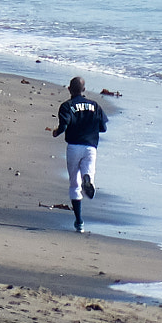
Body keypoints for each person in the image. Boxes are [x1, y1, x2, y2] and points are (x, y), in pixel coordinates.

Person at [51, 77, 109, 232]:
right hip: (91, 147)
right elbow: (103, 128)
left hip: (74, 147)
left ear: (69, 89)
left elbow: (64, 126)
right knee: (88, 171)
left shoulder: (66, 106)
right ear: (84, 90)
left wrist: (56, 132)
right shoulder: (95, 106)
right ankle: (88, 179)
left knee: (74, 184)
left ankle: (79, 221)